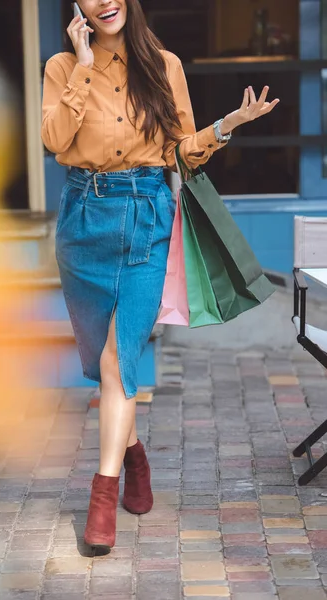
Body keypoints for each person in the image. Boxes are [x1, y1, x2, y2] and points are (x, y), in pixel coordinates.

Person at [41, 0, 279, 553]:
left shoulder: (163, 64)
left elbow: (182, 154)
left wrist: (229, 125)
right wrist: (80, 62)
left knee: (117, 358)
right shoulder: (60, 65)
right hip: (82, 221)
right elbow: (55, 140)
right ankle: (133, 453)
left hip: (146, 216)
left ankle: (103, 497)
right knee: (99, 363)